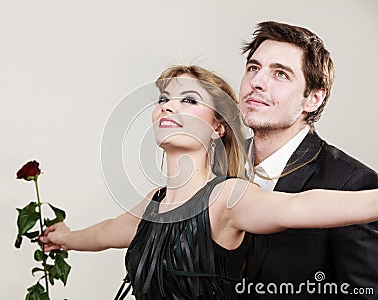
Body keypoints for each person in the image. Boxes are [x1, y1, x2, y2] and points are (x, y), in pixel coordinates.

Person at [40, 65, 378, 300]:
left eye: (188, 100)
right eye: (164, 100)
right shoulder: (153, 203)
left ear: (218, 127)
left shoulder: (227, 197)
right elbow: (105, 233)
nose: (169, 106)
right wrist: (65, 238)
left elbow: (298, 205)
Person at [239, 21, 378, 299]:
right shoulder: (212, 164)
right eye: (254, 68)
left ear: (313, 99)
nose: (257, 82)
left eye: (280, 74)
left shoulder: (352, 183)